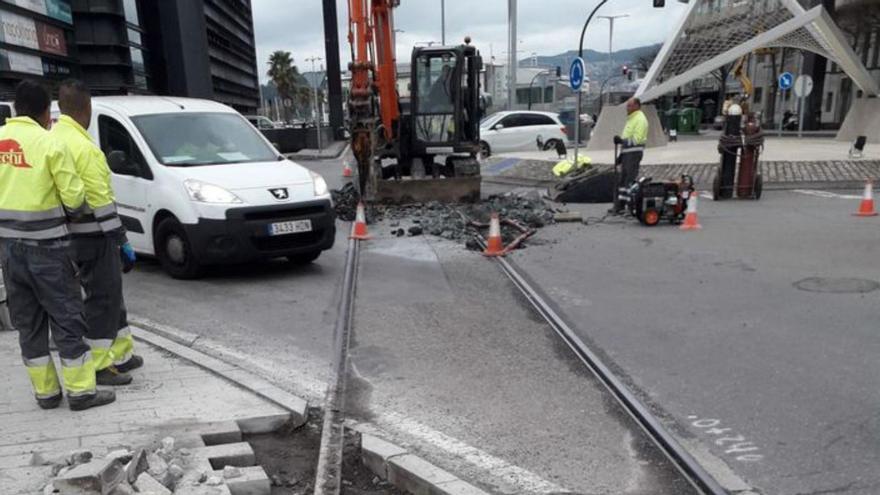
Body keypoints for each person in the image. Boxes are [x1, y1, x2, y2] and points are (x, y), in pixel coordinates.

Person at [0, 81, 115, 411]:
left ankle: (46, 393)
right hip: (48, 248)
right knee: (66, 317)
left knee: (29, 323)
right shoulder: (49, 144)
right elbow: (75, 198)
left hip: (9, 251)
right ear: (46, 112)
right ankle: (80, 392)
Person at [52, 79, 143, 386]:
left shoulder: (54, 139)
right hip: (95, 236)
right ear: (86, 108)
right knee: (103, 298)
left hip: (69, 235)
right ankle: (102, 365)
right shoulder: (84, 148)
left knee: (110, 294)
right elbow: (101, 201)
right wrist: (121, 240)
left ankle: (122, 352)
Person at [610, 98, 649, 214]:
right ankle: (620, 206)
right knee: (622, 181)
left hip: (634, 154)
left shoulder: (640, 120)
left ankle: (630, 207)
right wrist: (621, 156)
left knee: (629, 181)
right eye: (627, 106)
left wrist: (622, 141)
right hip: (627, 154)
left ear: (637, 106)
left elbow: (637, 140)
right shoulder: (632, 119)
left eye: (630, 106)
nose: (627, 108)